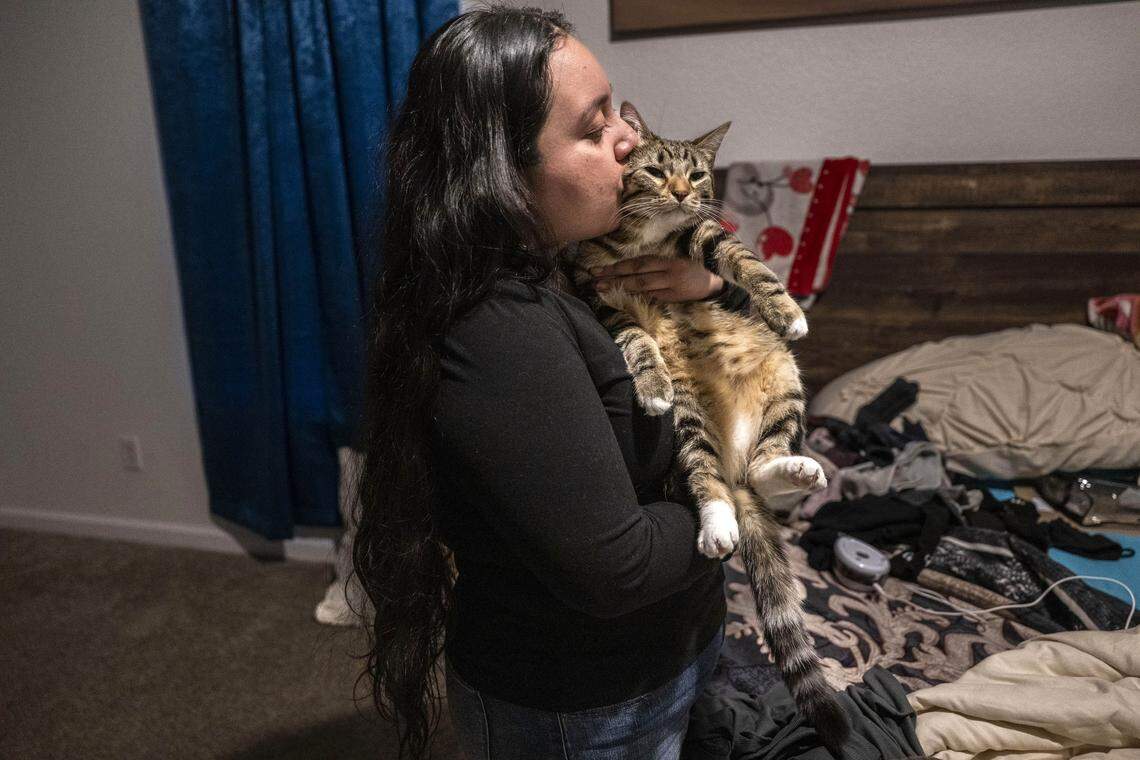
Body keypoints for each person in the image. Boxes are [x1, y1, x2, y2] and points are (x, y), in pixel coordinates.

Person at [352, 6, 749, 759]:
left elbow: (736, 364)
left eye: (615, 110)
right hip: (587, 703)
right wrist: (748, 493)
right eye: (593, 128)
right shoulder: (495, 328)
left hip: (674, 648)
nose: (627, 138)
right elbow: (617, 568)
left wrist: (713, 290)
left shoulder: (576, 261)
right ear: (504, 171)